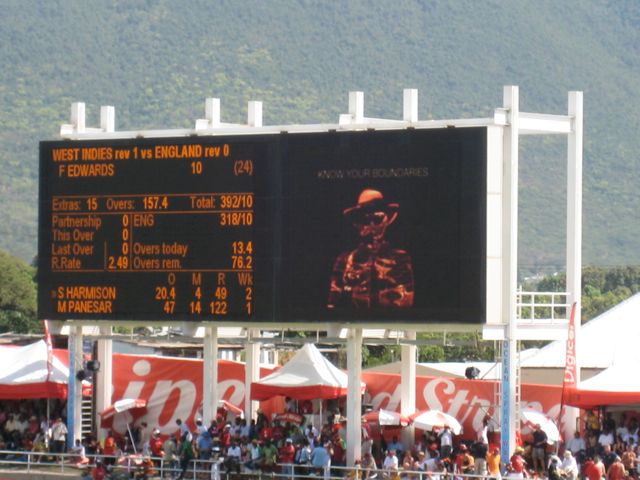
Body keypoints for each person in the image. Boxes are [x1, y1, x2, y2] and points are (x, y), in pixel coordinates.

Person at [327, 188, 414, 309]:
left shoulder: (400, 258)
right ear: (358, 224)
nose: (371, 225)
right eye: (365, 219)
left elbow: (407, 299)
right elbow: (333, 303)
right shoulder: (345, 259)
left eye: (377, 218)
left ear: (386, 220)